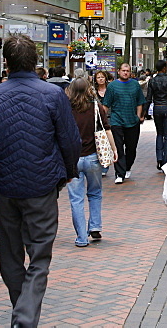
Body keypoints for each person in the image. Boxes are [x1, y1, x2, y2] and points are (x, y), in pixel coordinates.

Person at [0, 34, 81, 328]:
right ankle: (24, 317)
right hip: (42, 185)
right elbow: (70, 139)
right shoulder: (52, 94)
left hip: (7, 186)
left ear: (5, 62)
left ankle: (21, 311)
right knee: (40, 255)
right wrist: (69, 171)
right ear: (36, 61)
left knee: (9, 255)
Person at [66, 77, 117, 247]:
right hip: (93, 157)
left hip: (72, 159)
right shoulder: (96, 107)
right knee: (95, 193)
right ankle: (95, 225)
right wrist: (114, 149)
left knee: (76, 199)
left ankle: (81, 237)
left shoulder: (66, 109)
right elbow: (107, 129)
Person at [102, 63, 147, 184]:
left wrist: (138, 117)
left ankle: (127, 167)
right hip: (117, 120)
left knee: (131, 148)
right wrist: (102, 119)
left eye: (127, 71)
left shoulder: (135, 85)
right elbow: (106, 104)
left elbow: (139, 102)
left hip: (132, 121)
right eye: (123, 70)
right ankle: (119, 173)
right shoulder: (112, 86)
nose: (125, 73)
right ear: (118, 71)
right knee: (118, 147)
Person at [148, 60, 167, 171]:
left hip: (157, 107)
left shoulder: (152, 81)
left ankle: (159, 158)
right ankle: (166, 159)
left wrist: (144, 113)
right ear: (164, 68)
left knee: (159, 134)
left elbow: (148, 97)